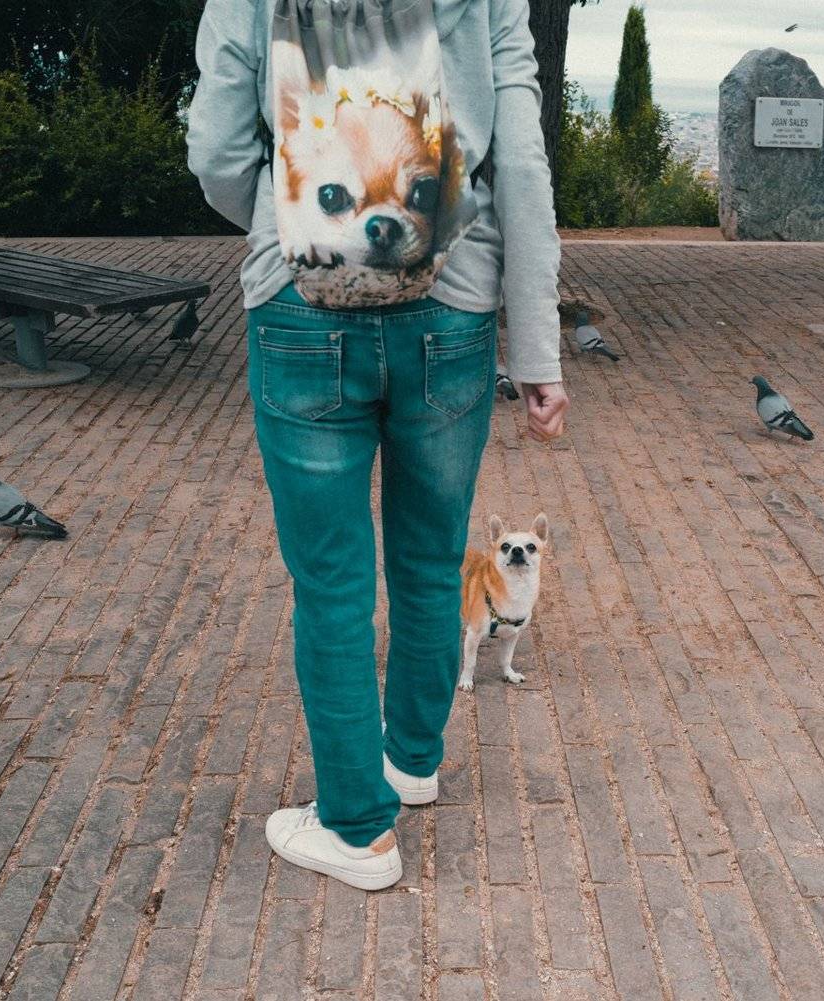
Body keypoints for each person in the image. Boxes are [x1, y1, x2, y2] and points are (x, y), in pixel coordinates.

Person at [187, 0, 568, 890]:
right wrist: (537, 347)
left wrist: (291, 224)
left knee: (330, 582)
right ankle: (411, 764)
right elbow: (520, 161)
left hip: (299, 303)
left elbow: (214, 150)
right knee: (433, 560)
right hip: (453, 304)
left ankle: (357, 829)